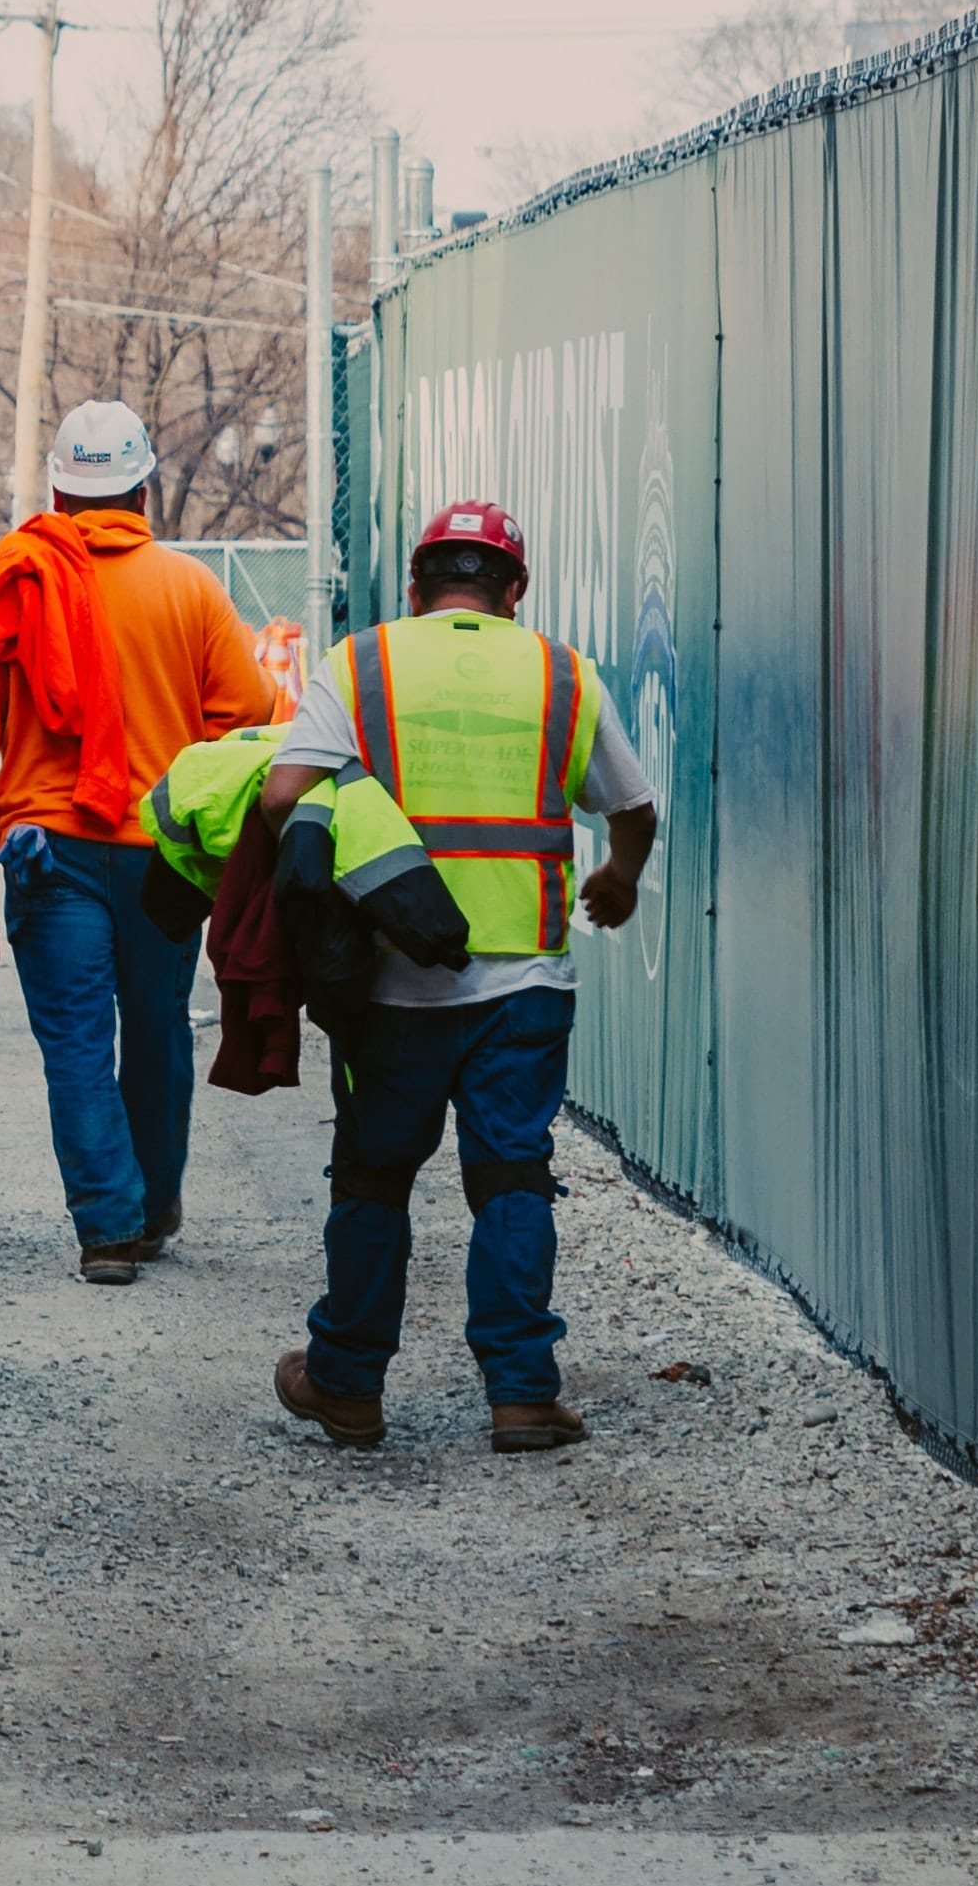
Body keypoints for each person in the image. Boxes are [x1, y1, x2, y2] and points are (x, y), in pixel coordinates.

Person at [256, 499, 659, 1453]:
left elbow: (283, 796)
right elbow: (633, 805)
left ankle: (347, 1382)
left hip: (391, 986)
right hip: (524, 982)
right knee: (513, 1175)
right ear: (514, 589)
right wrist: (620, 878)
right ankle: (522, 1391)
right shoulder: (561, 672)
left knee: (371, 1178)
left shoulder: (362, 663)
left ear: (416, 584)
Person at [0, 399, 274, 1285]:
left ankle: (108, 1228)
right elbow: (249, 720)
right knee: (157, 1028)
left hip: (52, 854)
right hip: (163, 852)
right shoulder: (191, 588)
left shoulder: (21, 582)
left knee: (77, 1040)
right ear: (145, 491)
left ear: (57, 491)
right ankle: (154, 1205)